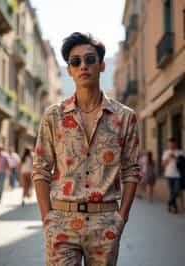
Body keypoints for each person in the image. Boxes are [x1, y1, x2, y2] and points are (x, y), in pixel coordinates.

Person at [32, 32, 141, 266]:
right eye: (75, 61)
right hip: (61, 221)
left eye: (90, 59)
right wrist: (47, 219)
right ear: (69, 69)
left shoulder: (125, 117)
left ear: (102, 65)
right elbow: (41, 169)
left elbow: (131, 170)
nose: (83, 65)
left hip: (105, 223)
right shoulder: (53, 116)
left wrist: (121, 219)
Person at [162, 137, 183, 213]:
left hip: (178, 175)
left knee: (176, 190)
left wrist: (176, 157)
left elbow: (182, 163)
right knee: (171, 191)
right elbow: (163, 164)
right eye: (169, 144)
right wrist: (168, 158)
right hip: (168, 175)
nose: (171, 145)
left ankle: (169, 203)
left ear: (175, 144)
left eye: (172, 144)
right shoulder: (166, 152)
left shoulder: (180, 152)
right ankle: (174, 207)